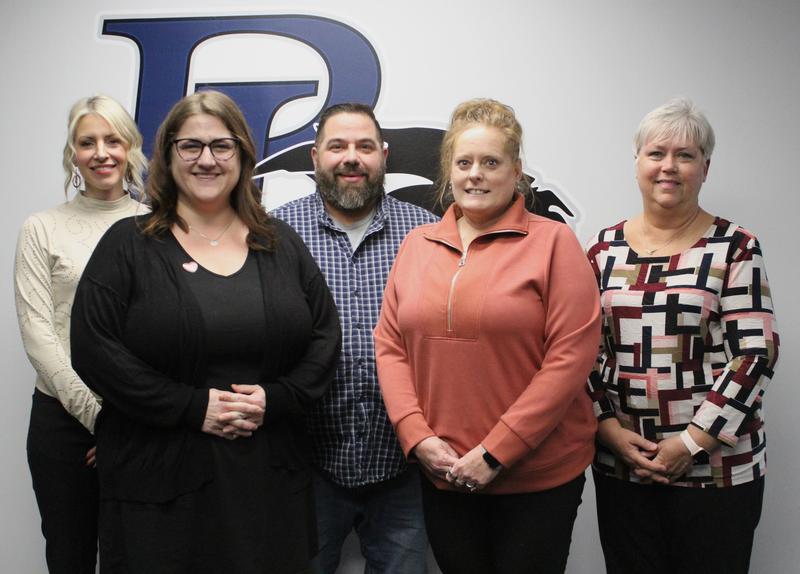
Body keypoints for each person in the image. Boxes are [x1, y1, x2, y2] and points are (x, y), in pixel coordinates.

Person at [69, 90, 341, 574]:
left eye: (221, 145)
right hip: (159, 489)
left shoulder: (280, 243)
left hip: (268, 483)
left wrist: (276, 399)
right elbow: (94, 349)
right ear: (168, 155)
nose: (207, 159)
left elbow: (325, 335)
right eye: (191, 145)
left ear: (243, 155)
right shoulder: (128, 245)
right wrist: (192, 407)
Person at [373, 98, 601, 574]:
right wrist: (416, 436)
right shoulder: (417, 245)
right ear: (448, 172)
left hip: (536, 480)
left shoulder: (553, 243)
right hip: (444, 473)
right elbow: (390, 346)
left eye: (491, 162)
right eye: (464, 163)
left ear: (516, 171)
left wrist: (497, 452)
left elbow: (569, 359)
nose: (475, 174)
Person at [585, 97, 780, 574]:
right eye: (656, 153)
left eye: (685, 155)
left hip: (717, 471)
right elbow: (580, 352)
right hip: (624, 465)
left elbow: (755, 354)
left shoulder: (735, 247)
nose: (668, 166)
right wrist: (607, 429)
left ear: (705, 168)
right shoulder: (603, 249)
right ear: (637, 163)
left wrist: (691, 442)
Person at [271, 103, 437, 574]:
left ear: (384, 155)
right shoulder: (276, 234)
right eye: (337, 146)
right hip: (308, 463)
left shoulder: (424, 233)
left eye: (365, 146)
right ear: (315, 156)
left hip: (404, 463)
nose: (351, 158)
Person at [14, 94, 146, 573]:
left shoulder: (157, 227)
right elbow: (38, 334)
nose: (101, 153)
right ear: (73, 154)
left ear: (130, 148)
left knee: (136, 557)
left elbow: (166, 332)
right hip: (64, 423)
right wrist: (98, 419)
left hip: (139, 421)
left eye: (113, 140)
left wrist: (124, 422)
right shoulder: (42, 228)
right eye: (87, 142)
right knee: (69, 557)